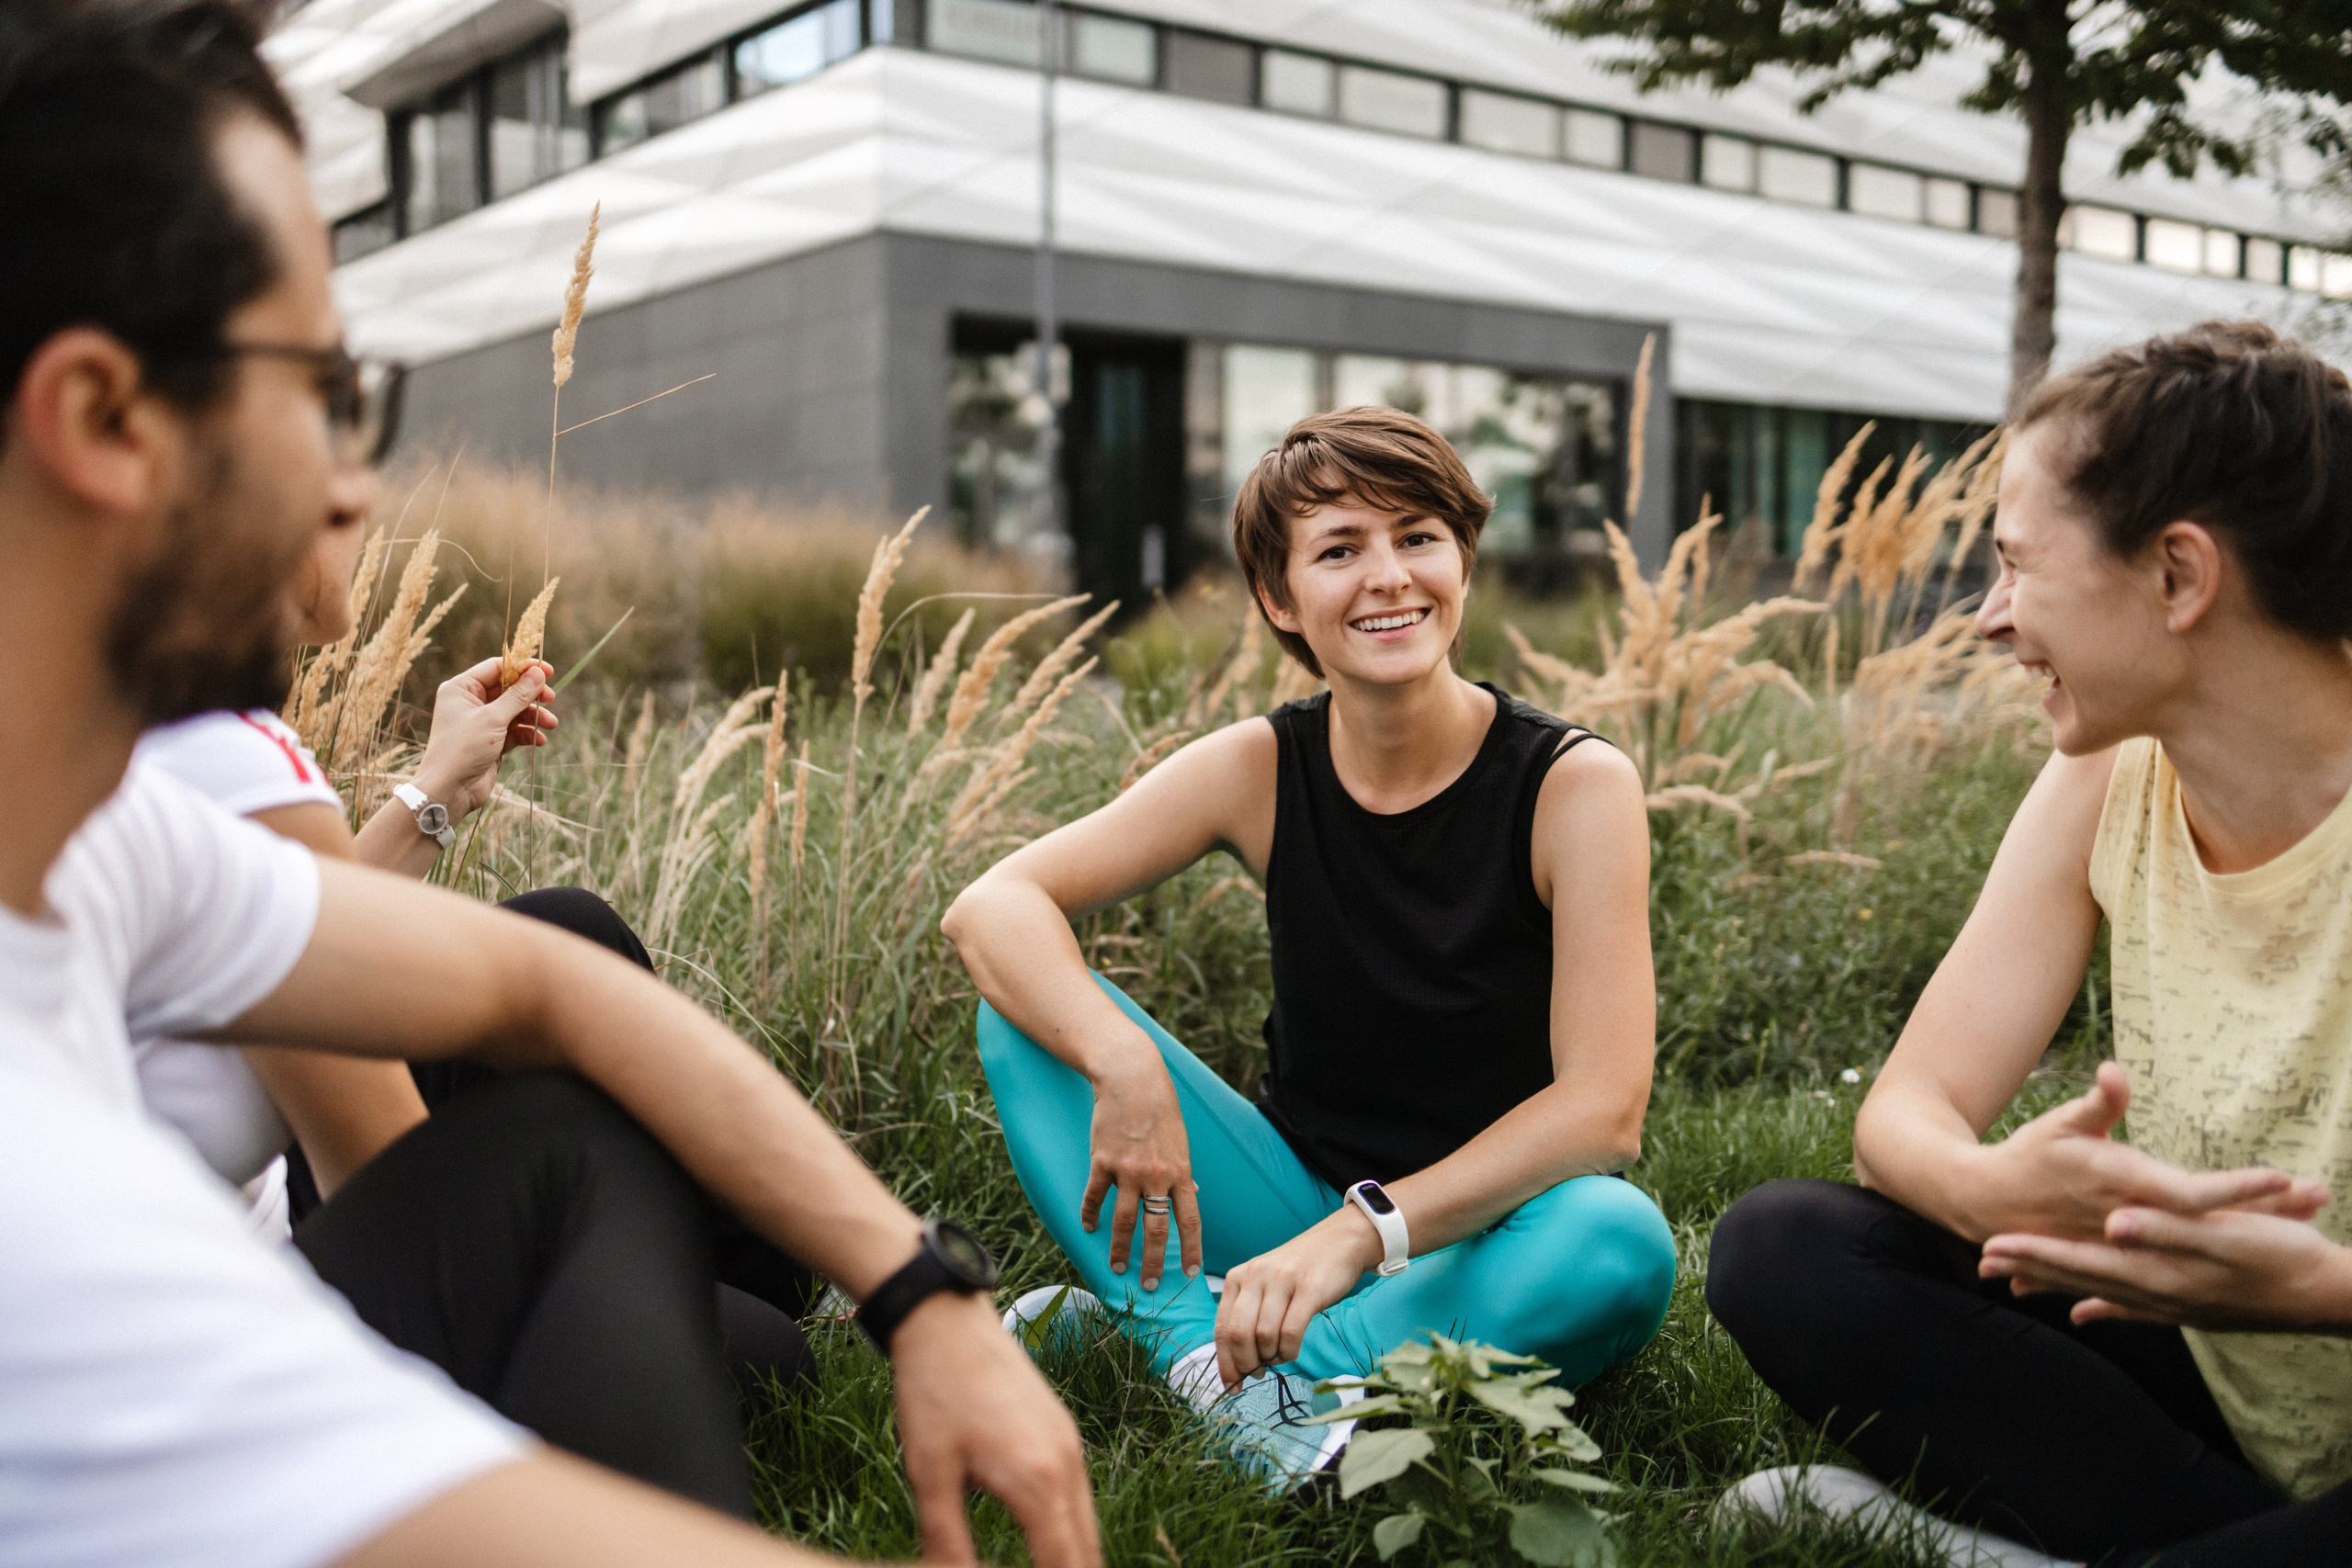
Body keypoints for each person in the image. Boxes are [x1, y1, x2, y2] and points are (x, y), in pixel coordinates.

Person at [0, 2, 1100, 1564]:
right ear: (105, 420)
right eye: (326, 386)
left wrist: (922, 1285)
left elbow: (541, 987)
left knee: (563, 1078)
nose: (355, 481)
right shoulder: (49, 1225)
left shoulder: (95, 845)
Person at [1705, 321, 2352, 1568]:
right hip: (2217, 1363)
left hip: (2299, 1317)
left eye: (2015, 564)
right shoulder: (2106, 771)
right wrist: (1984, 1187)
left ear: (2178, 576)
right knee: (1787, 1248)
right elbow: (1910, 1106)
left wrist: (2314, 1289)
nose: (1992, 620)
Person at [941, 405, 1677, 1486]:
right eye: (1340, 550)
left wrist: (1361, 1238)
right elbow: (993, 907)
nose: (1388, 576)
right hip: (1279, 1210)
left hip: (1477, 1241)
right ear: (1280, 600)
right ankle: (1228, 1370)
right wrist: (1121, 1057)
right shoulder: (1260, 768)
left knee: (1620, 1244)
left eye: (1418, 536)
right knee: (1025, 1008)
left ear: (1462, 563)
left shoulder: (1573, 786)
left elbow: (1605, 1110)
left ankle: (1185, 1354)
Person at [135, 525, 822, 1396]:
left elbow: (302, 922)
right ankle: (716, 1281)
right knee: (767, 1360)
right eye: (333, 436)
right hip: (263, 1282)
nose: (356, 496)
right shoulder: (215, 748)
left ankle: (769, 1273)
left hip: (262, 1158)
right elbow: (392, 1167)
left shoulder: (159, 721)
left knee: (569, 924)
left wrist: (441, 790)